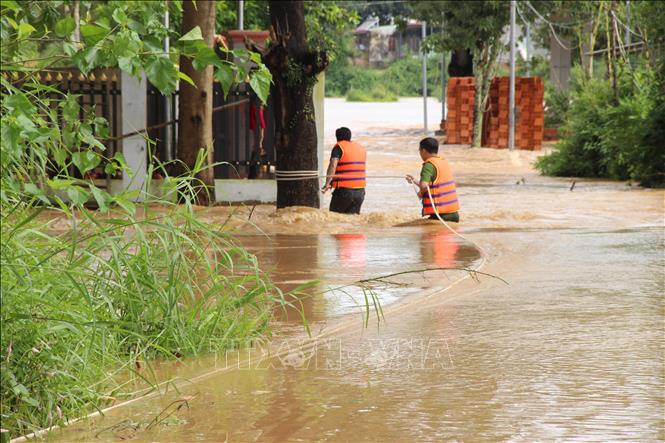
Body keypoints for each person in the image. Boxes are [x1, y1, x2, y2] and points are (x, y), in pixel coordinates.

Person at [405, 137, 460, 222]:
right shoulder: (442, 162)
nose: (420, 154)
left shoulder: (428, 165)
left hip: (440, 215)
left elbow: (424, 186)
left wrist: (420, 193)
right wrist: (414, 180)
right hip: (454, 214)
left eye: (419, 151)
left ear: (424, 150)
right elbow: (434, 184)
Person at [321, 127, 366, 214]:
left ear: (337, 138)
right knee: (352, 222)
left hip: (344, 192)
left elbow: (333, 165)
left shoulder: (339, 147)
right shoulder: (361, 148)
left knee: (334, 218)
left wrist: (327, 184)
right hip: (360, 192)